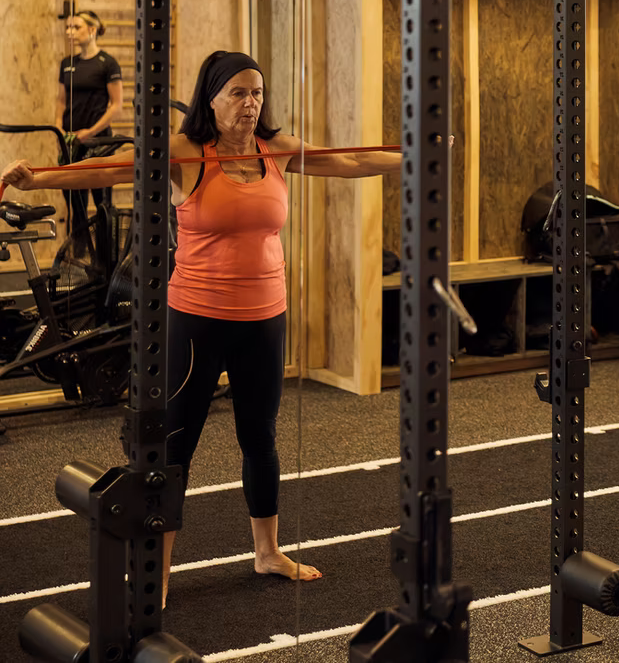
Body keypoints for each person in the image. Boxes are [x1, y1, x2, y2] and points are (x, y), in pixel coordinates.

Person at [4, 50, 404, 604]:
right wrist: (39, 179)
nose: (250, 103)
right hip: (196, 319)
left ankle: (267, 552)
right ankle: (158, 572)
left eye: (257, 92)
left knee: (259, 438)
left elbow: (351, 160)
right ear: (210, 100)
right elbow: (115, 168)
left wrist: (415, 155)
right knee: (175, 446)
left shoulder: (275, 149)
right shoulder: (186, 153)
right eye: (238, 93)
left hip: (265, 319)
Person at [57, 10, 122, 266]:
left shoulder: (108, 63)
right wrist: (58, 130)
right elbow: (61, 101)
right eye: (68, 27)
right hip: (71, 143)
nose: (69, 32)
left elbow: (116, 106)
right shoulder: (66, 63)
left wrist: (90, 133)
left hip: (98, 144)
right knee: (77, 207)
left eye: (76, 27)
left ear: (92, 30)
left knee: (103, 206)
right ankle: (79, 262)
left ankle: (106, 265)